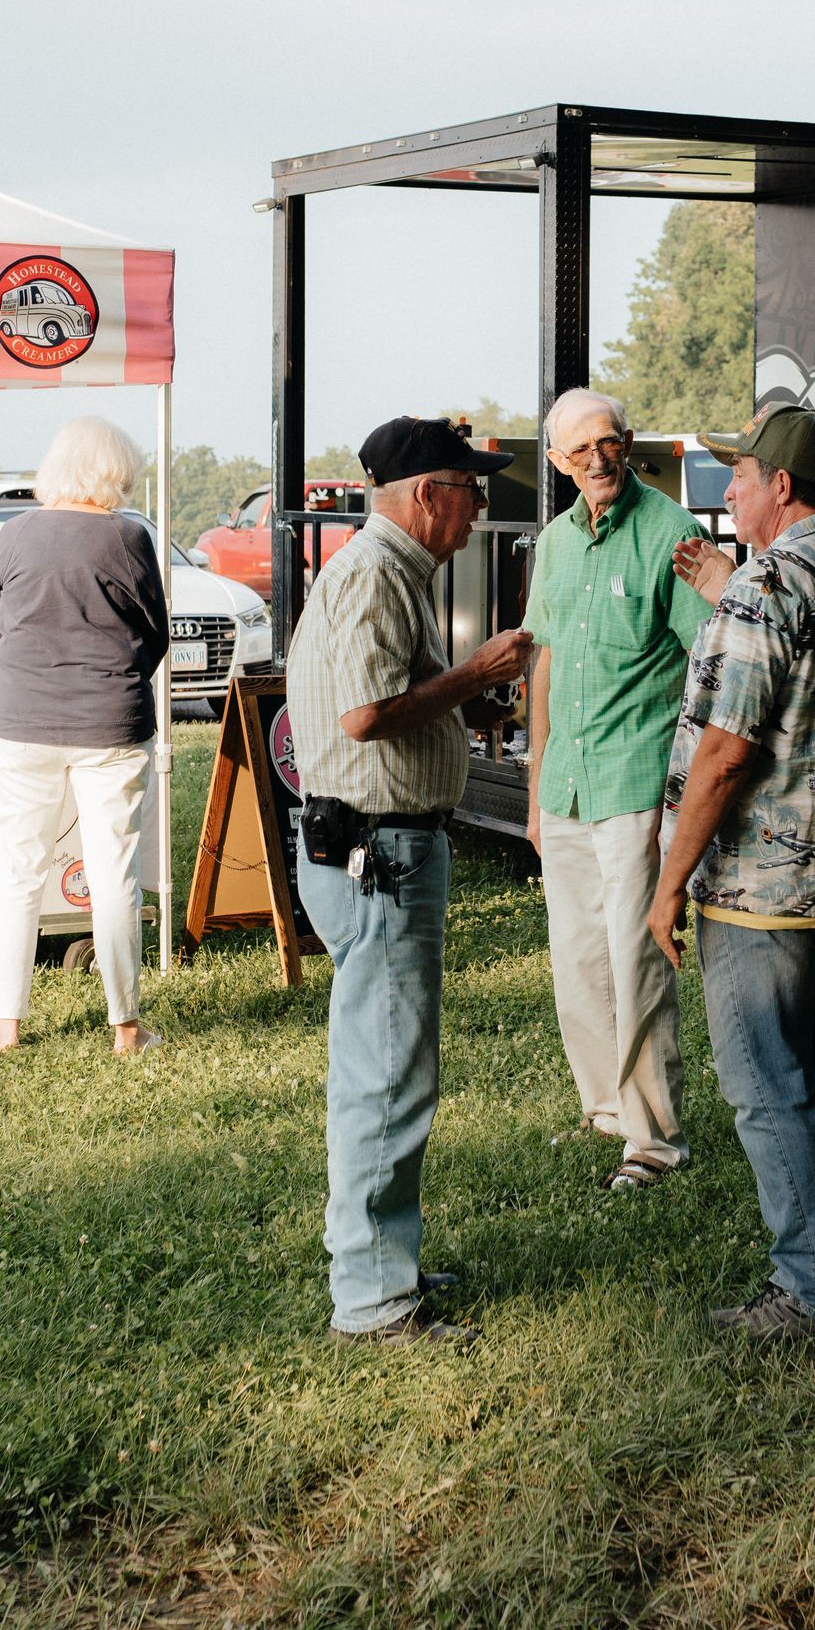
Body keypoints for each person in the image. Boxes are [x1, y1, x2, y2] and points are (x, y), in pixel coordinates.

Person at [651, 406, 815, 1344]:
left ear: (782, 487)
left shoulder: (766, 588)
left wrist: (669, 880)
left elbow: (726, 753)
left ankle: (813, 1296)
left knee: (768, 1086)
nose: (730, 492)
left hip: (764, 889)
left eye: (742, 476)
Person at [286, 417, 533, 1346]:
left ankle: (382, 1265)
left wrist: (468, 688)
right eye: (472, 490)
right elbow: (362, 717)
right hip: (379, 854)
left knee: (384, 1069)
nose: (481, 509)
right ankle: (376, 1302)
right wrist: (475, 673)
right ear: (428, 494)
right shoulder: (377, 574)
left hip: (376, 851)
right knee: (386, 1077)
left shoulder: (386, 570)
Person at [524, 389, 714, 1191]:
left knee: (636, 958)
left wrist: (692, 792)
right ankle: (605, 1110)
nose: (599, 460)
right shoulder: (555, 544)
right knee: (576, 957)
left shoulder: (671, 532)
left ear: (628, 442)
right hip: (566, 783)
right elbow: (545, 661)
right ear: (557, 463)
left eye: (609, 443)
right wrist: (535, 788)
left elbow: (714, 662)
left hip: (636, 777)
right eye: (580, 451)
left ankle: (654, 1140)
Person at [0, 417, 170, 1056]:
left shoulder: (16, 532)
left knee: (19, 869)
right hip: (109, 719)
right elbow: (155, 634)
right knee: (113, 872)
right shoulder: (128, 536)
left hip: (21, 719)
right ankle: (126, 1028)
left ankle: (5, 1024)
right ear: (116, 473)